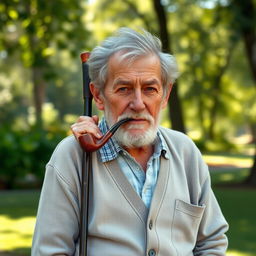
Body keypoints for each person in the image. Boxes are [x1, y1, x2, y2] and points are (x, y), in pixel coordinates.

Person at [32, 27, 228, 255]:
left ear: (165, 95)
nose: (138, 103)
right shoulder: (73, 156)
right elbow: (50, 252)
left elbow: (212, 242)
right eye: (124, 89)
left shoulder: (185, 152)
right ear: (98, 95)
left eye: (149, 89)